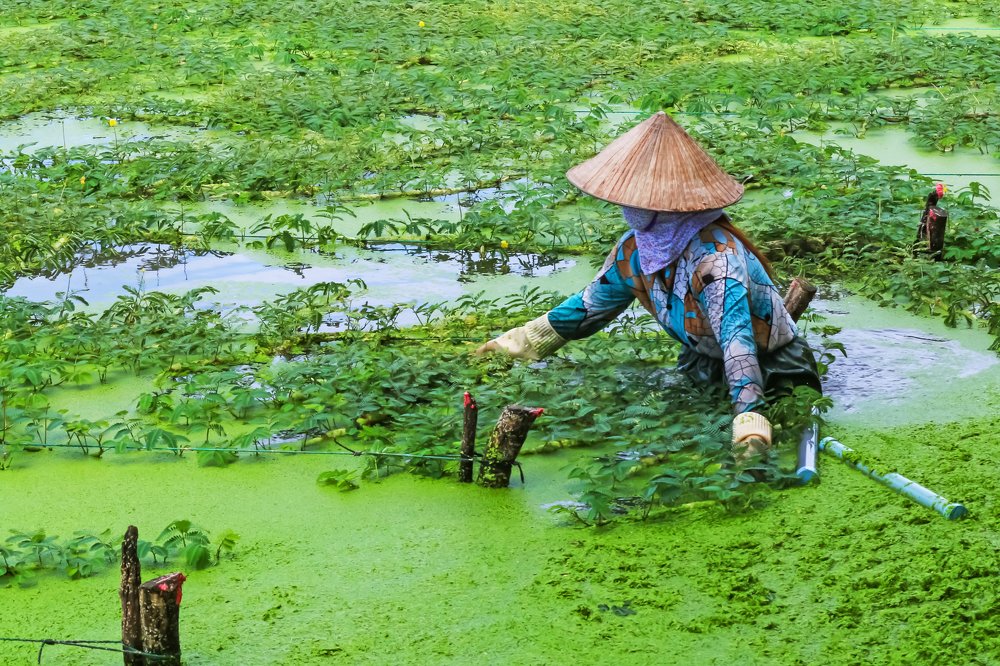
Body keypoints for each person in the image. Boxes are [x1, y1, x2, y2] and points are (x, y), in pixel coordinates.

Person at [476, 112, 821, 463]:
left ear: (663, 204)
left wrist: (751, 422)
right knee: (686, 438)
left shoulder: (717, 262)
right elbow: (590, 306)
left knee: (735, 459)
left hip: (774, 373)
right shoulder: (636, 249)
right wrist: (514, 344)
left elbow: (737, 344)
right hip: (701, 363)